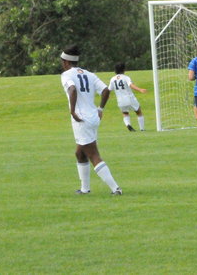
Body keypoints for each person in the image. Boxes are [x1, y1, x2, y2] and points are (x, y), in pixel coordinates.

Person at [60, 45, 122, 195]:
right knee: (80, 153)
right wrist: (100, 109)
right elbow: (106, 90)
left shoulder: (66, 75)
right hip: (93, 116)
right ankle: (85, 189)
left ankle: (116, 188)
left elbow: (72, 89)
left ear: (66, 62)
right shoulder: (89, 74)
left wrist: (72, 111)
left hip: (81, 119)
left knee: (93, 154)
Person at [109, 62, 147, 132]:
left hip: (120, 101)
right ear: (124, 69)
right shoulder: (126, 77)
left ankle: (128, 124)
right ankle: (142, 129)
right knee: (138, 111)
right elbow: (131, 85)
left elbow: (109, 89)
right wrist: (140, 89)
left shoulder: (112, 79)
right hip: (129, 98)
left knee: (125, 113)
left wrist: (107, 96)